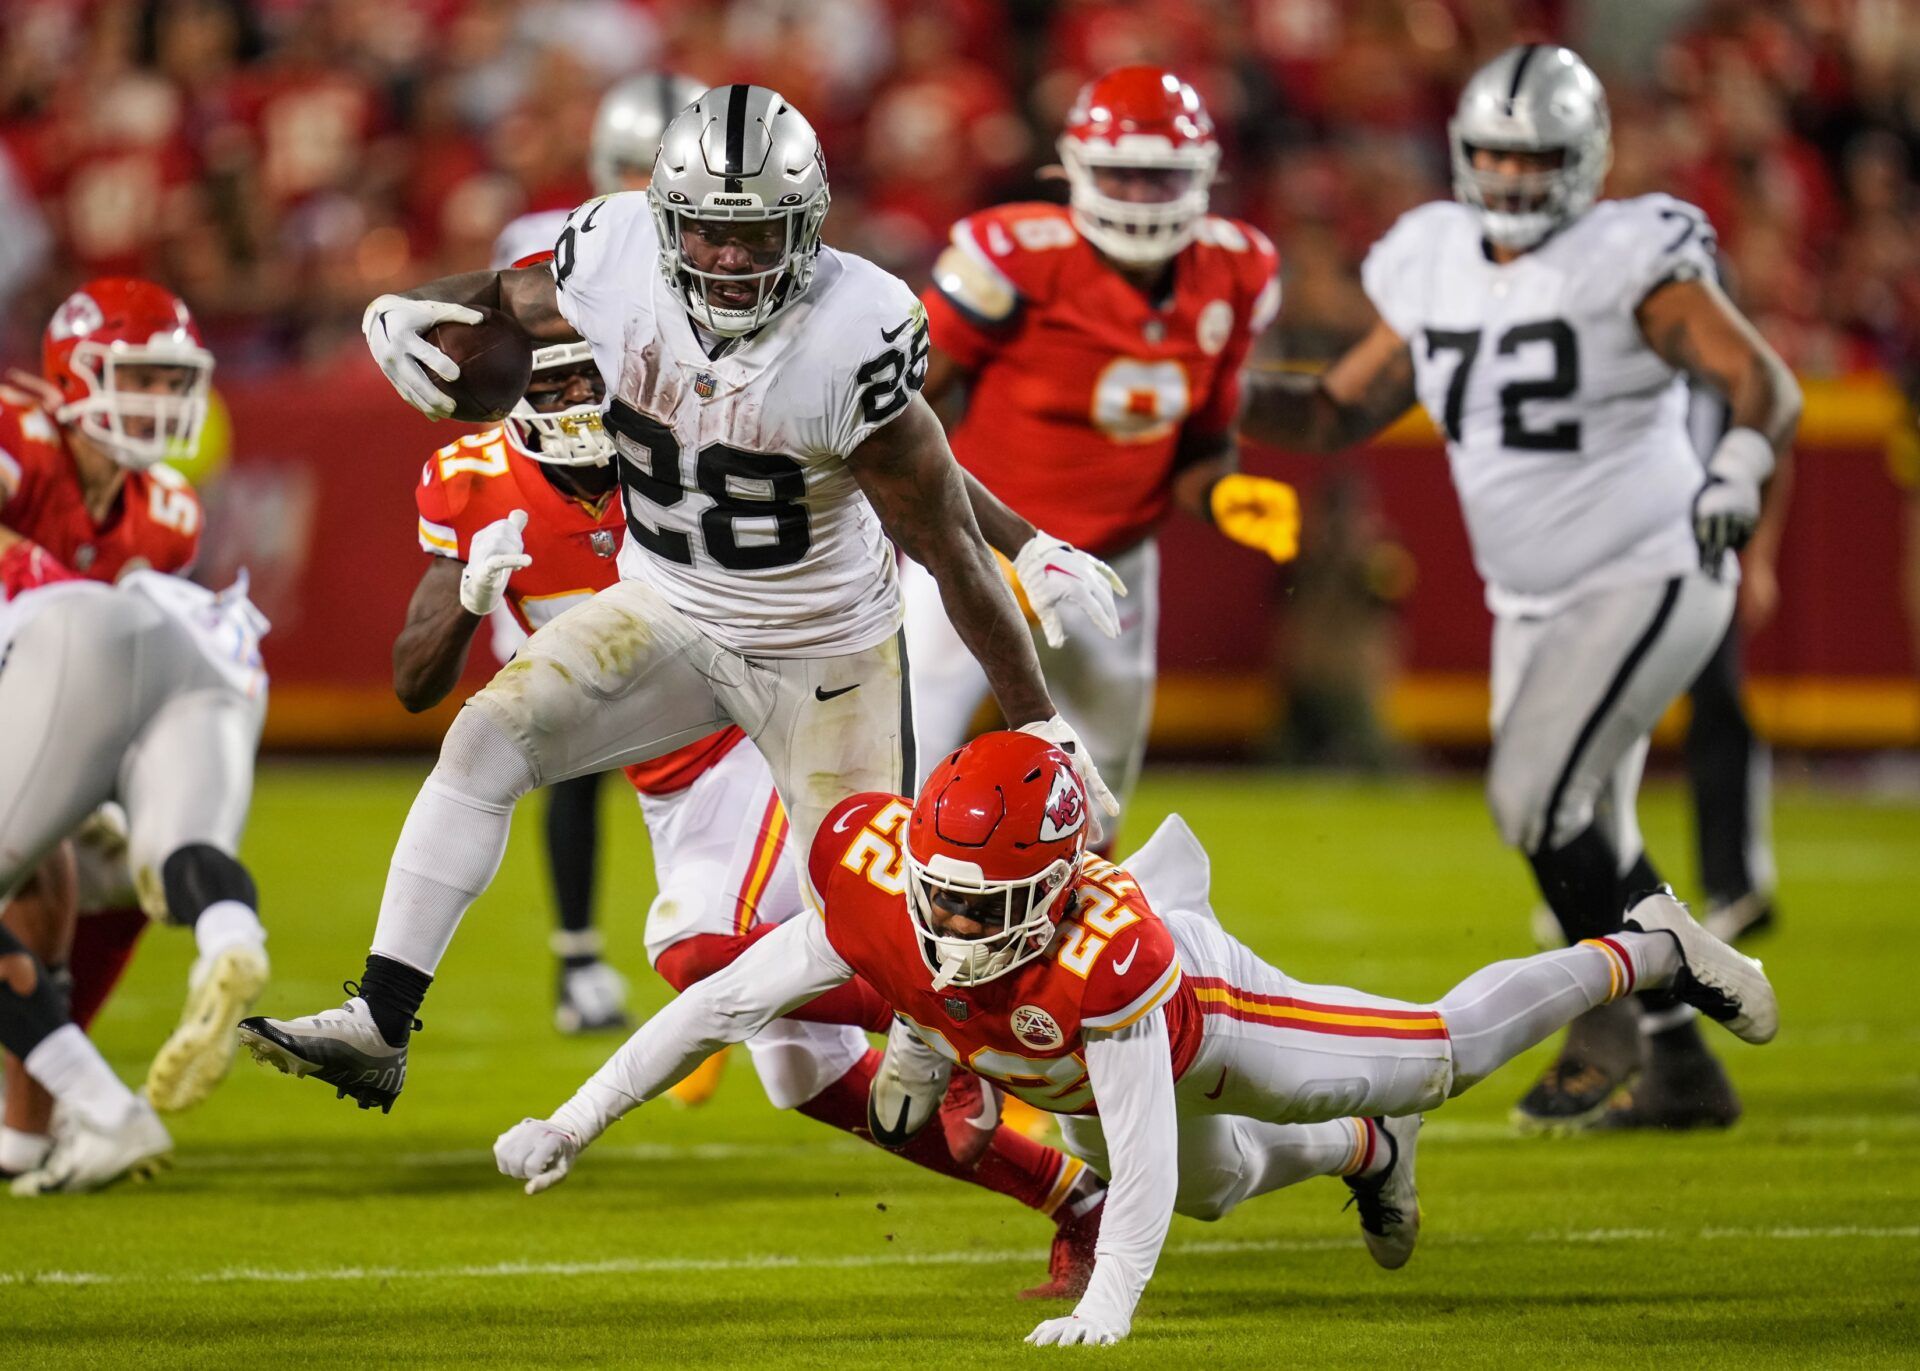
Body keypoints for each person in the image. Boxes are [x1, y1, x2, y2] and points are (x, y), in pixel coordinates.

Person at [239, 85, 1120, 1113]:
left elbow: (945, 542)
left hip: (822, 653)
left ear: (807, 225)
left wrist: (1039, 717)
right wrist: (402, 309)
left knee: (865, 919)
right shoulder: (610, 251)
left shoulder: (858, 332)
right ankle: (381, 1021)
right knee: (485, 741)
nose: (731, 259)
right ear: (664, 220)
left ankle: (958, 1027)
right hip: (668, 606)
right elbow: (501, 296)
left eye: (757, 234)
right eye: (707, 230)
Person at [490, 731, 1778, 1348]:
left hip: (1203, 1019)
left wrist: (1113, 1301)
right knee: (1222, 1197)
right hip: (1057, 1050)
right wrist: (573, 1121)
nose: (946, 921)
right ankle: (1366, 1153)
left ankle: (1648, 943)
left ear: (1051, 890)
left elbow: (1143, 1151)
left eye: (981, 905)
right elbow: (715, 1007)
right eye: (937, 891)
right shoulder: (881, 886)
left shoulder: (1104, 953)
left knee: (1438, 1051)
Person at [1236, 45, 1799, 1132]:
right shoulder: (1435, 258)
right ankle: (1680, 1061)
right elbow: (1334, 411)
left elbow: (1756, 377)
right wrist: (1211, 393)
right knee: (1578, 823)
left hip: (1649, 564)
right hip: (1529, 595)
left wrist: (1736, 465)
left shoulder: (1630, 253)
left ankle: (1648, 974)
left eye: (1531, 155)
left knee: (1532, 801)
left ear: (1582, 158)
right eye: (1491, 152)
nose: (1509, 174)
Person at [908, 65, 1300, 840]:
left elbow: (1201, 443)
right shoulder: (1017, 255)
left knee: (1092, 797)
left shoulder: (1236, 271)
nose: (1142, 198)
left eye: (1161, 179)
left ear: (1201, 177)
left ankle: (1068, 957)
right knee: (900, 761)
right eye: (1123, 175)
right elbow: (898, 397)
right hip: (971, 548)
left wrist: (1222, 494)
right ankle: (869, 950)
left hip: (1113, 565)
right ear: (1077, 170)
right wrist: (949, 531)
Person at [0, 279, 269, 1149]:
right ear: (75, 373)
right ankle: (79, 1096)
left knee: (91, 870)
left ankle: (27, 1120)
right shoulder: (17, 435)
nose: (161, 401)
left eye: (171, 381)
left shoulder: (166, 517)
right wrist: (41, 578)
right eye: (141, 377)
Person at [484, 72, 708, 1028]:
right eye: (630, 169)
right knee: (562, 733)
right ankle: (580, 956)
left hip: (679, 504)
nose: (641, 192)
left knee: (712, 729)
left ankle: (718, 929)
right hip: (565, 494)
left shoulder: (722, 251)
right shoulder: (548, 243)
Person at [0, 568, 269, 1192]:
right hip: (214, 640)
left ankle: (103, 1107)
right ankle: (231, 940)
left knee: (50, 859)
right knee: (182, 852)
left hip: (75, 644)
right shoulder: (165, 506)